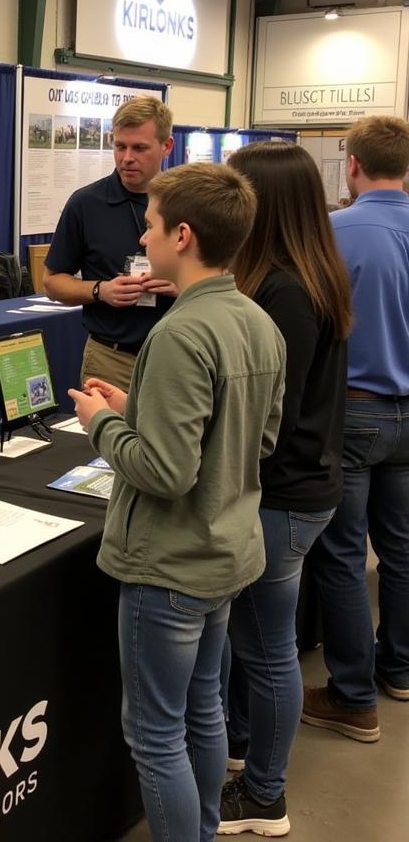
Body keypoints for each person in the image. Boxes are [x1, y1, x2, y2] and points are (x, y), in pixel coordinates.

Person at [67, 163, 285, 842]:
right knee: (204, 713)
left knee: (155, 735)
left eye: (153, 223)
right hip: (224, 554)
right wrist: (138, 406)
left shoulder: (178, 333)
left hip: (168, 567)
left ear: (182, 235)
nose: (144, 231)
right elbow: (255, 436)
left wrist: (101, 424)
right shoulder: (256, 320)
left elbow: (163, 471)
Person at [217, 142, 351, 836]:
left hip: (284, 498)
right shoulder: (298, 276)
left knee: (268, 650)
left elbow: (275, 412)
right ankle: (243, 757)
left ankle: (265, 795)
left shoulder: (286, 292)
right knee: (255, 643)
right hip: (297, 492)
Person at [303, 115, 409, 743]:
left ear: (352, 164)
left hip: (354, 412)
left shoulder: (333, 232)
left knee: (342, 555)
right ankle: (399, 669)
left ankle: (353, 695)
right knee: (400, 549)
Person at [43, 96, 177, 390]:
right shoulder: (86, 203)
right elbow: (52, 282)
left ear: (166, 147)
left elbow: (222, 279)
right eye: (119, 146)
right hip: (111, 360)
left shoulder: (187, 202)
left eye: (139, 148)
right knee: (110, 437)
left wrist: (184, 289)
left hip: (177, 359)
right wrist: (99, 290)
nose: (127, 158)